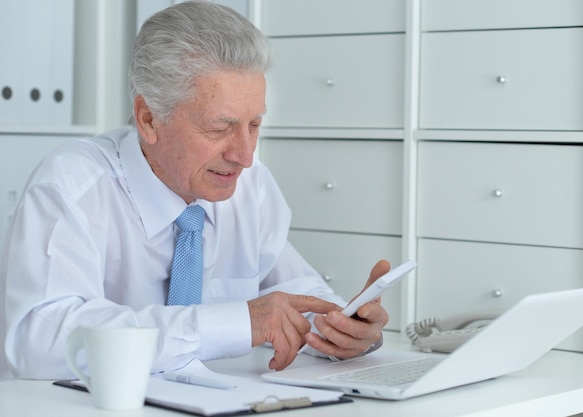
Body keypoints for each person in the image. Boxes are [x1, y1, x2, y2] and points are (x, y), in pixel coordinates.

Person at [0, 1, 390, 380]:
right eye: (219, 128)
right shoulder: (72, 187)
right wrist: (234, 323)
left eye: (254, 124)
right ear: (149, 119)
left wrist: (343, 326)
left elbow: (293, 294)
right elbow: (38, 343)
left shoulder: (249, 188)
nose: (244, 156)